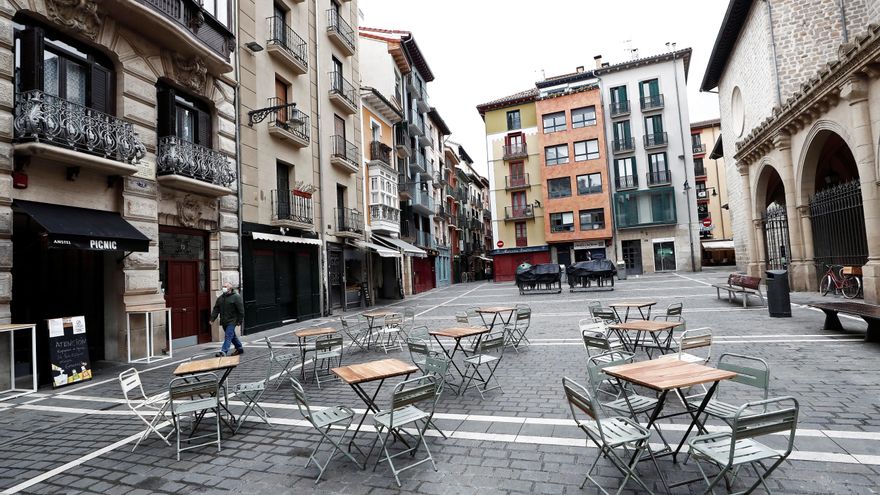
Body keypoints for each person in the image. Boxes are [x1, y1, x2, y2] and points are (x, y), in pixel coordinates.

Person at [211, 282, 245, 357]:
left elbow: (241, 311)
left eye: (225, 286)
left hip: (232, 321)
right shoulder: (220, 298)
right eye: (223, 286)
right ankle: (239, 348)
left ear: (230, 288)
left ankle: (223, 351)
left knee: (228, 336)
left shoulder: (236, 297)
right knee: (232, 336)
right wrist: (212, 319)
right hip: (224, 321)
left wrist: (240, 321)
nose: (224, 288)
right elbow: (216, 309)